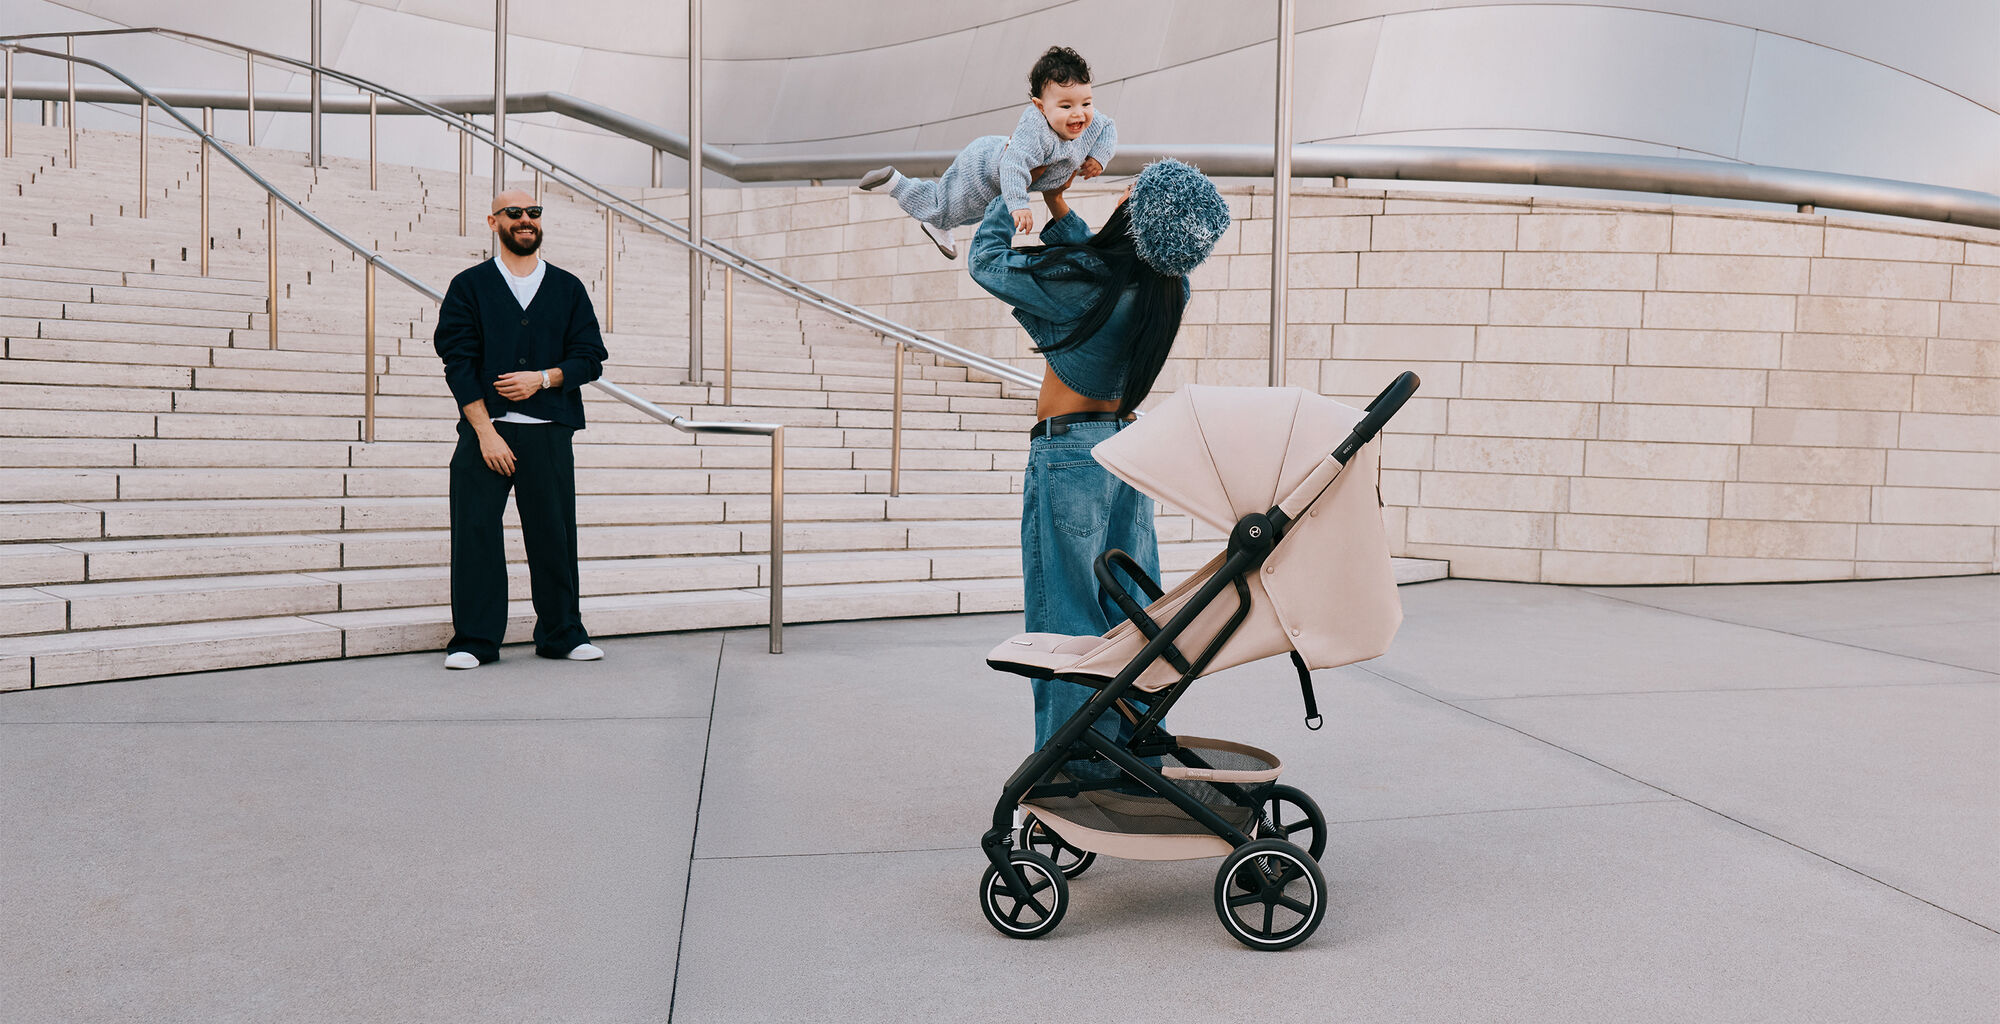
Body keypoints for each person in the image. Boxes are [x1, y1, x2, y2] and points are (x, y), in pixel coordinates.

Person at [968, 158, 1230, 757]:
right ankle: (1128, 746)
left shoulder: (1087, 283)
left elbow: (987, 261)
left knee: (1067, 616)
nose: (1122, 192)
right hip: (1125, 452)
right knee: (1130, 612)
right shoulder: (1170, 289)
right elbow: (1110, 263)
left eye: (1133, 190)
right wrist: (1058, 206)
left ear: (1136, 214)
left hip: (1070, 455)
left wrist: (1012, 190)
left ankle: (1072, 762)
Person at [432, 190, 609, 670]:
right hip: (485, 432)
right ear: (494, 222)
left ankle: (562, 634)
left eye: (533, 212)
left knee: (555, 536)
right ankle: (474, 641)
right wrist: (486, 433)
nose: (525, 219)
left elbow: (590, 357)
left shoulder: (567, 287)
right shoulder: (469, 286)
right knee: (475, 535)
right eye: (514, 213)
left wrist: (543, 379)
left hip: (549, 432)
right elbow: (458, 362)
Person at [858, 45, 1116, 260]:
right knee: (944, 207)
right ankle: (896, 183)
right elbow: (1013, 166)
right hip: (981, 170)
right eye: (1066, 106)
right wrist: (1019, 205)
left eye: (1086, 103)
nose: (1079, 114)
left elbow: (1108, 127)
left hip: (996, 177)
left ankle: (938, 227)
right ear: (1040, 107)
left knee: (971, 213)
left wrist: (1099, 157)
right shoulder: (1036, 131)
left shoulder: (1091, 121)